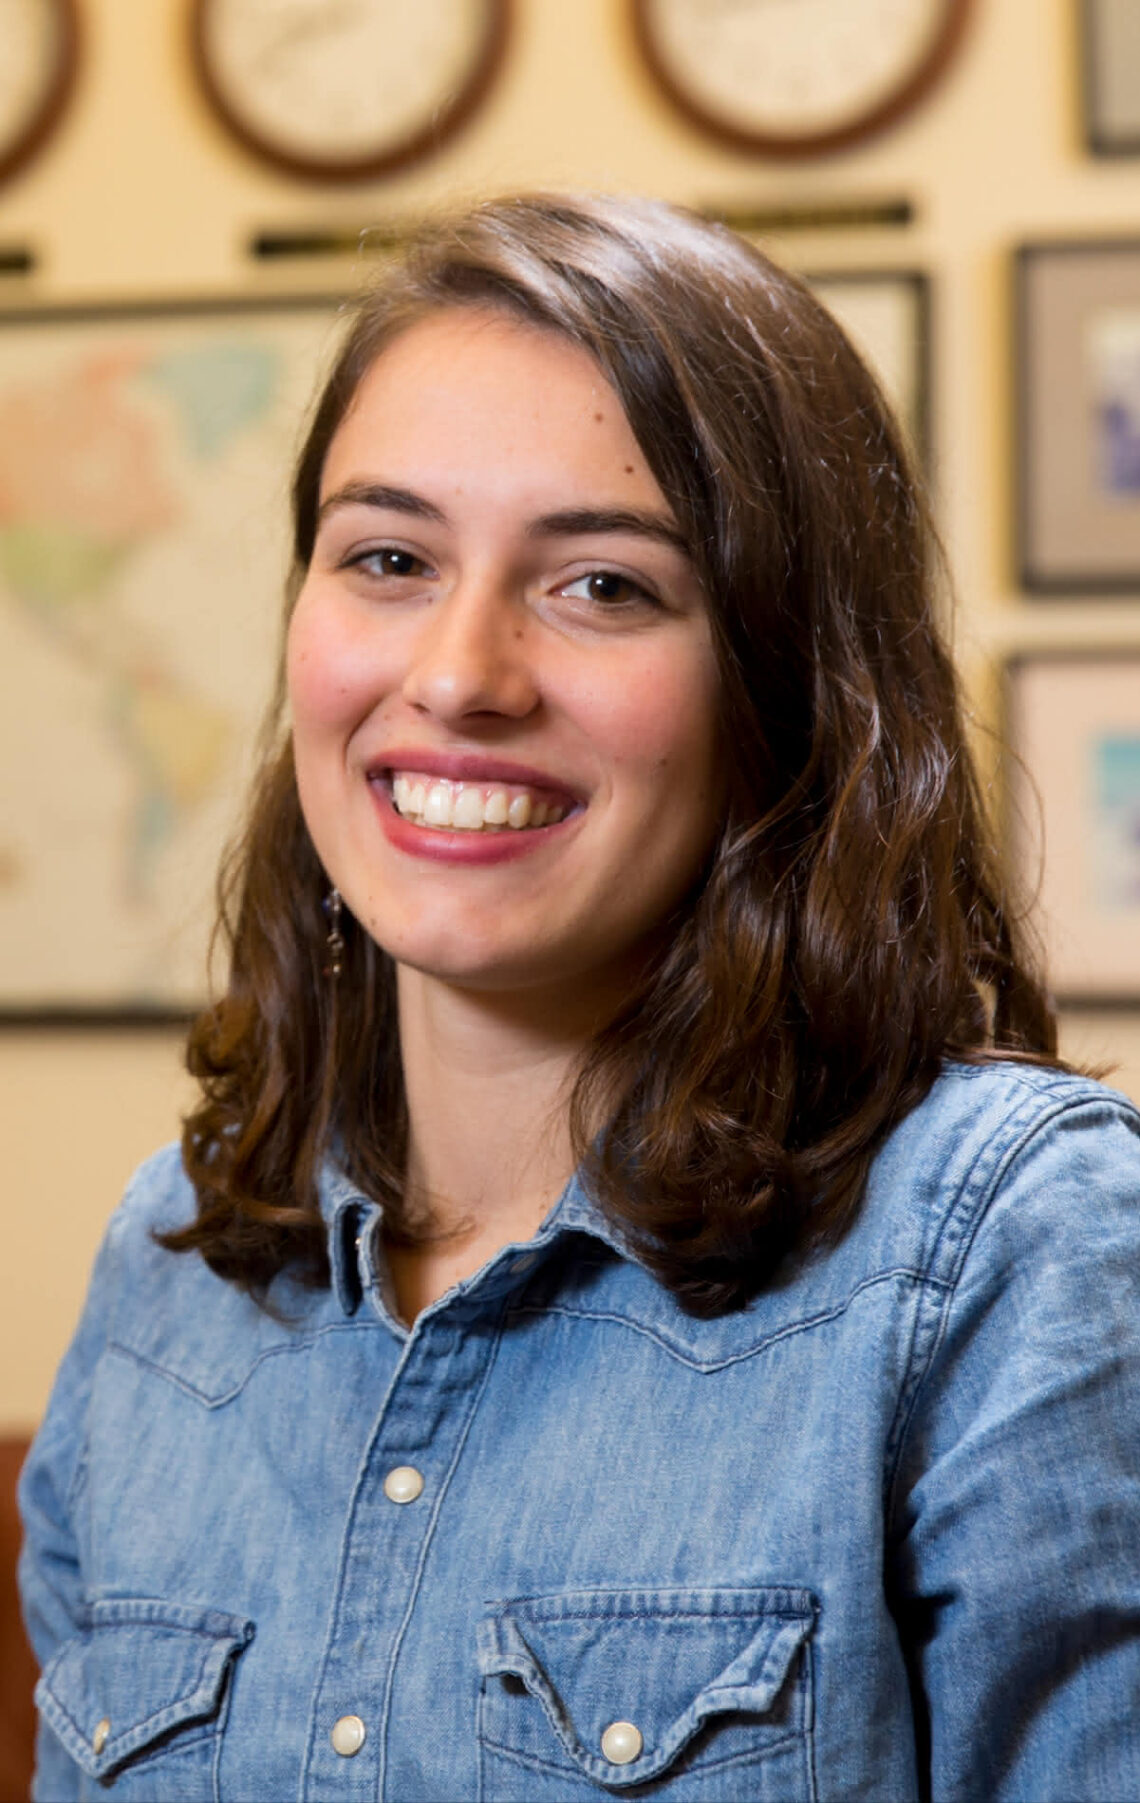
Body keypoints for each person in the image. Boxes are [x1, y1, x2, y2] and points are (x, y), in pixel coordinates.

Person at [18, 193, 1140, 1802]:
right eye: (389, 557)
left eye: (604, 586)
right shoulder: (173, 1264)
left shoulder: (1014, 1248)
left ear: (788, 682)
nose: (462, 675)